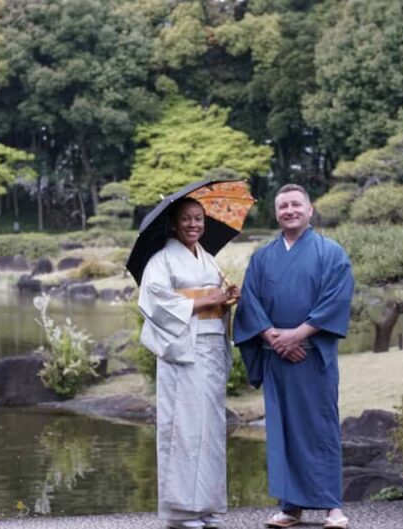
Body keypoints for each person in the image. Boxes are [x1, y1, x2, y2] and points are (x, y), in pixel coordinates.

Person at [233, 184, 354, 529]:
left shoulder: (331, 253)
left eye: (295, 204)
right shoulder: (262, 257)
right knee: (282, 430)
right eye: (283, 206)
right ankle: (291, 507)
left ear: (310, 209)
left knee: (321, 428)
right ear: (276, 213)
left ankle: (333, 507)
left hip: (312, 356)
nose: (289, 210)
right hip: (277, 357)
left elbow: (336, 299)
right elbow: (250, 301)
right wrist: (272, 336)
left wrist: (299, 334)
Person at [138, 197, 239, 529]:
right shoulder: (161, 260)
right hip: (182, 351)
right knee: (182, 428)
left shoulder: (208, 259)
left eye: (199, 219)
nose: (194, 224)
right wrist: (205, 299)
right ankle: (180, 511)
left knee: (210, 429)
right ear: (173, 223)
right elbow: (154, 302)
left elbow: (215, 297)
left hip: (210, 348)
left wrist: (225, 299)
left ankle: (206, 505)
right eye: (186, 219)